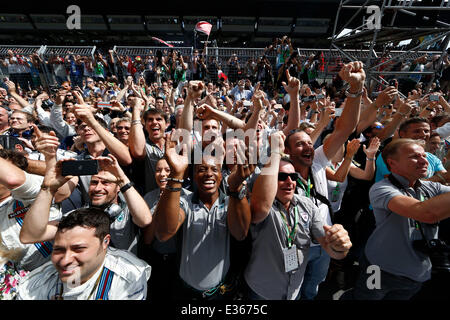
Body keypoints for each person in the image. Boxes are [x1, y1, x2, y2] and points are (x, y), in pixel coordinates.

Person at [284, 61, 366, 300]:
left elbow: (346, 127)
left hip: (324, 245)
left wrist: (355, 89)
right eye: (300, 143)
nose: (309, 145)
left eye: (310, 142)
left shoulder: (318, 160)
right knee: (291, 291)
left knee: (313, 287)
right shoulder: (280, 170)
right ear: (287, 152)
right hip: (295, 246)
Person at [244, 131, 352, 300]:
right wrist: (275, 153)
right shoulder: (262, 207)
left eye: (293, 176)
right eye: (281, 177)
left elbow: (329, 246)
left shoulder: (307, 205)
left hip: (293, 291)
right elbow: (261, 207)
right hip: (262, 291)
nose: (289, 181)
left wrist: (339, 246)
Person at [19, 126, 152, 255]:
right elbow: (30, 236)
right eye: (94, 182)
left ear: (118, 188)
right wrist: (47, 189)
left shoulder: (128, 211)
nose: (98, 188)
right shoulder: (78, 216)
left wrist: (122, 179)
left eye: (105, 183)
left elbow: (144, 220)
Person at [344, 138, 450, 300]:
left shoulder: (431, 187)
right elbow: (425, 213)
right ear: (392, 163)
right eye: (415, 157)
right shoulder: (382, 189)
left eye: (424, 156)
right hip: (379, 268)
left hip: (416, 275)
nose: (424, 160)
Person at [153, 130, 253, 300]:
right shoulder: (184, 200)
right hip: (186, 293)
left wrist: (235, 188)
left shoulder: (231, 202)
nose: (208, 173)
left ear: (221, 176)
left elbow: (240, 233)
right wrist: (176, 174)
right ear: (194, 176)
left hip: (221, 292)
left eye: (215, 169)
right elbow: (163, 233)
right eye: (201, 169)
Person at [16, 207, 151, 300]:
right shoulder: (32, 286)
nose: (65, 261)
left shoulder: (128, 276)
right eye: (59, 249)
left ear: (105, 242)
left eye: (78, 249)